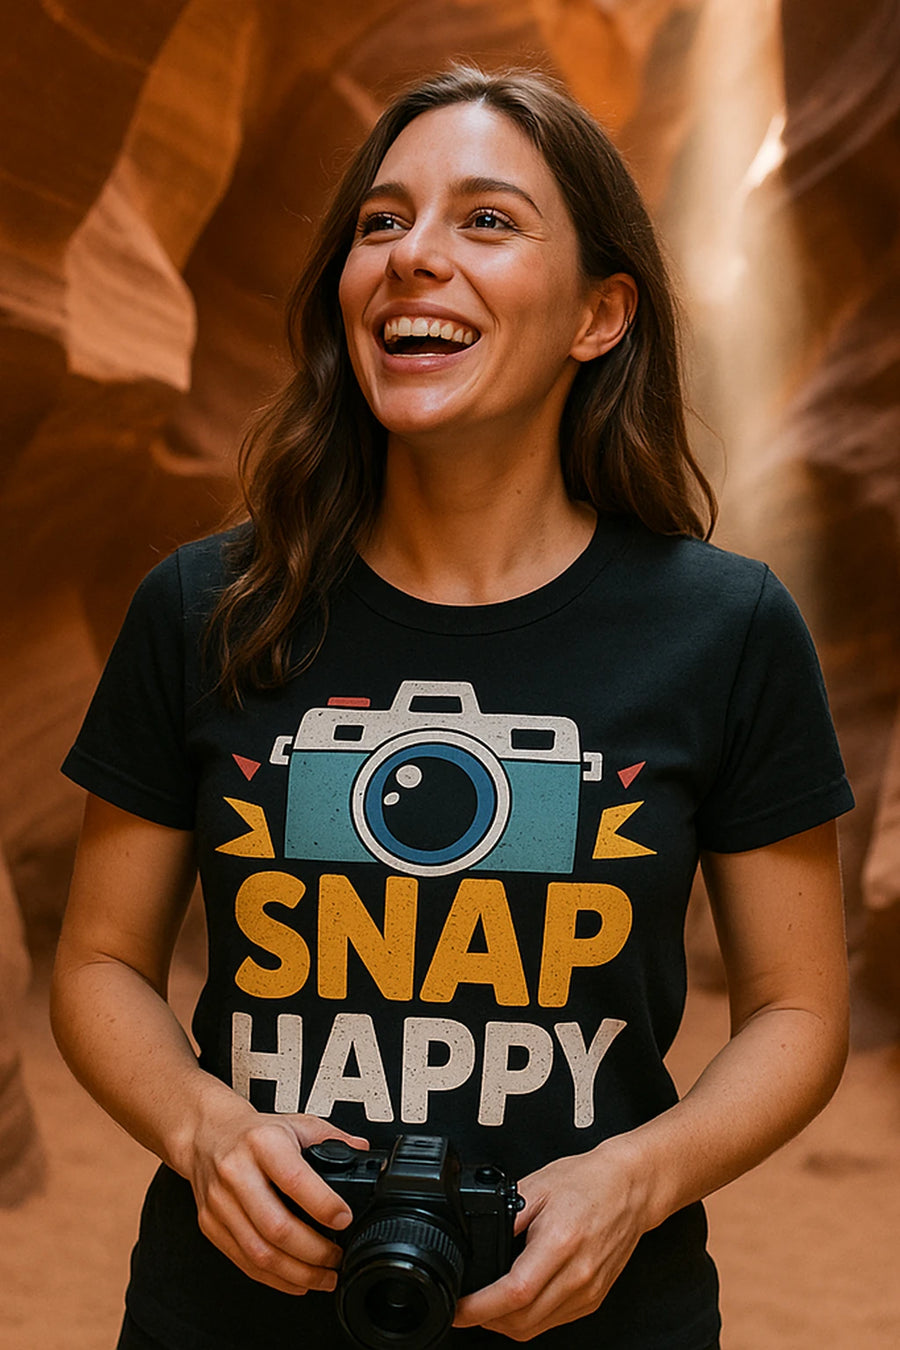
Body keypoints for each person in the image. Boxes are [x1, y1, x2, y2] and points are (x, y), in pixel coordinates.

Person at [52, 65, 854, 1350]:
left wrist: (637, 1178)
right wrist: (205, 1130)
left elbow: (801, 1012)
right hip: (235, 1309)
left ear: (602, 313)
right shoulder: (207, 604)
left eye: (486, 220)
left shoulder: (725, 628)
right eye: (381, 222)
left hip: (596, 1307)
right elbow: (98, 962)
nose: (414, 256)